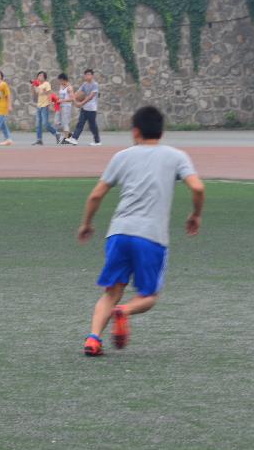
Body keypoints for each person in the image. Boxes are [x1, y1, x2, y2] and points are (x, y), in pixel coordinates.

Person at [76, 105, 205, 356]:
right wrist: (195, 215)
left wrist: (87, 224)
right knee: (149, 295)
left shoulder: (122, 157)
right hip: (151, 236)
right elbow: (198, 188)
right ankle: (124, 311)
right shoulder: (176, 156)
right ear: (162, 131)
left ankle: (93, 339)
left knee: (112, 291)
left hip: (119, 233)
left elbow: (96, 195)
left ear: (135, 131)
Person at [65, 69, 101, 146]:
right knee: (80, 123)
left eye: (89, 74)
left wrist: (81, 103)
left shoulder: (95, 85)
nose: (87, 76)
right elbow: (78, 94)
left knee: (92, 126)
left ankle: (97, 141)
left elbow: (91, 97)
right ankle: (74, 138)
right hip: (84, 108)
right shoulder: (84, 84)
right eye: (86, 75)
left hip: (92, 109)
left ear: (92, 76)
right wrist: (73, 98)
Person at [32, 71, 59, 145]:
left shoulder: (46, 84)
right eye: (38, 75)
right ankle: (39, 139)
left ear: (44, 77)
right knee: (38, 124)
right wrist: (33, 85)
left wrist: (50, 105)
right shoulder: (39, 85)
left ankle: (56, 133)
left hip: (45, 106)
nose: (39, 77)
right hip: (39, 106)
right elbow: (36, 93)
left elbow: (49, 94)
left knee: (46, 124)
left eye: (41, 75)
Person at [56, 73, 74, 141]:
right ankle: (68, 137)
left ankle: (67, 138)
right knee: (60, 122)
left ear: (63, 79)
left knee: (65, 122)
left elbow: (72, 99)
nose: (59, 82)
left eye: (60, 80)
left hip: (67, 106)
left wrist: (62, 100)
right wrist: (56, 99)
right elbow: (60, 96)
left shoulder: (69, 88)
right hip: (61, 106)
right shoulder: (61, 86)